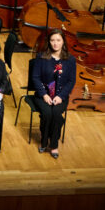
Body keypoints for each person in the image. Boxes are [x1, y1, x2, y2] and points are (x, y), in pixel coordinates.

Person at [30, 29, 76, 159]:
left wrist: (60, 96)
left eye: (58, 40)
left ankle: (53, 144)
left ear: (63, 42)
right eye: (52, 40)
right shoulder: (41, 57)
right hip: (42, 95)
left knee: (56, 114)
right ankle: (44, 142)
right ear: (49, 42)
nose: (55, 43)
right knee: (47, 113)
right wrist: (44, 95)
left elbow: (71, 81)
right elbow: (35, 78)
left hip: (60, 96)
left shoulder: (70, 60)